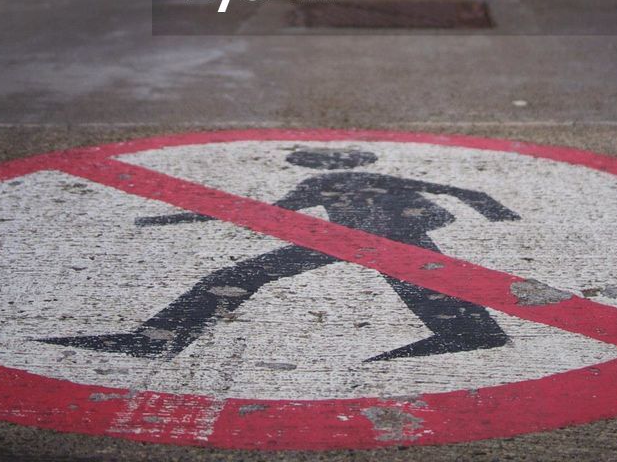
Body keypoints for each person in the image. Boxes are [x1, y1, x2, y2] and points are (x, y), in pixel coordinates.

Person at [41, 147, 521, 362]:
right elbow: (268, 213)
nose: (326, 167)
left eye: (327, 162)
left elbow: (462, 191)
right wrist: (175, 219)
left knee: (246, 273)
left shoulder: (344, 182)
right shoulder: (318, 184)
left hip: (378, 235)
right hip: (354, 236)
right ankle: (472, 333)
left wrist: (498, 218)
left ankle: (155, 339)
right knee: (246, 273)